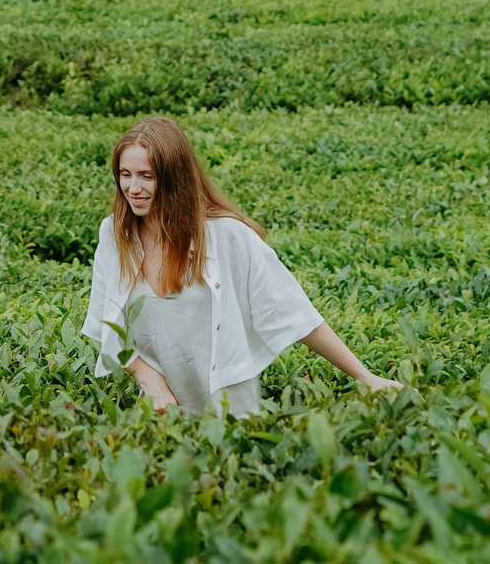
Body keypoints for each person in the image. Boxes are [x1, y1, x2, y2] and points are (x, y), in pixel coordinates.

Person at [81, 115, 400, 415]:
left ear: (174, 178)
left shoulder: (226, 235)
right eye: (125, 174)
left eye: (147, 176)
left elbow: (293, 312)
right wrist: (147, 378)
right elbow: (107, 322)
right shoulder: (115, 234)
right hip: (163, 415)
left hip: (231, 414)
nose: (133, 188)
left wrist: (366, 377)